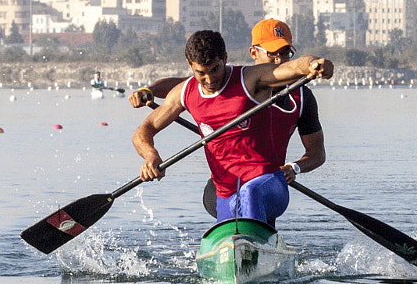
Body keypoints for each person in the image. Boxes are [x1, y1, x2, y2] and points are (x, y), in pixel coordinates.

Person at [133, 29, 332, 225]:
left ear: (225, 58)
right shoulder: (184, 93)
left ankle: (251, 241)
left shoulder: (250, 78)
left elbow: (296, 67)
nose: (210, 80)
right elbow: (143, 130)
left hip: (269, 185)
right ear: (190, 65)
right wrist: (151, 156)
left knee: (249, 192)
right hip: (225, 193)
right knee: (233, 216)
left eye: (215, 70)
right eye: (201, 73)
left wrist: (314, 64)